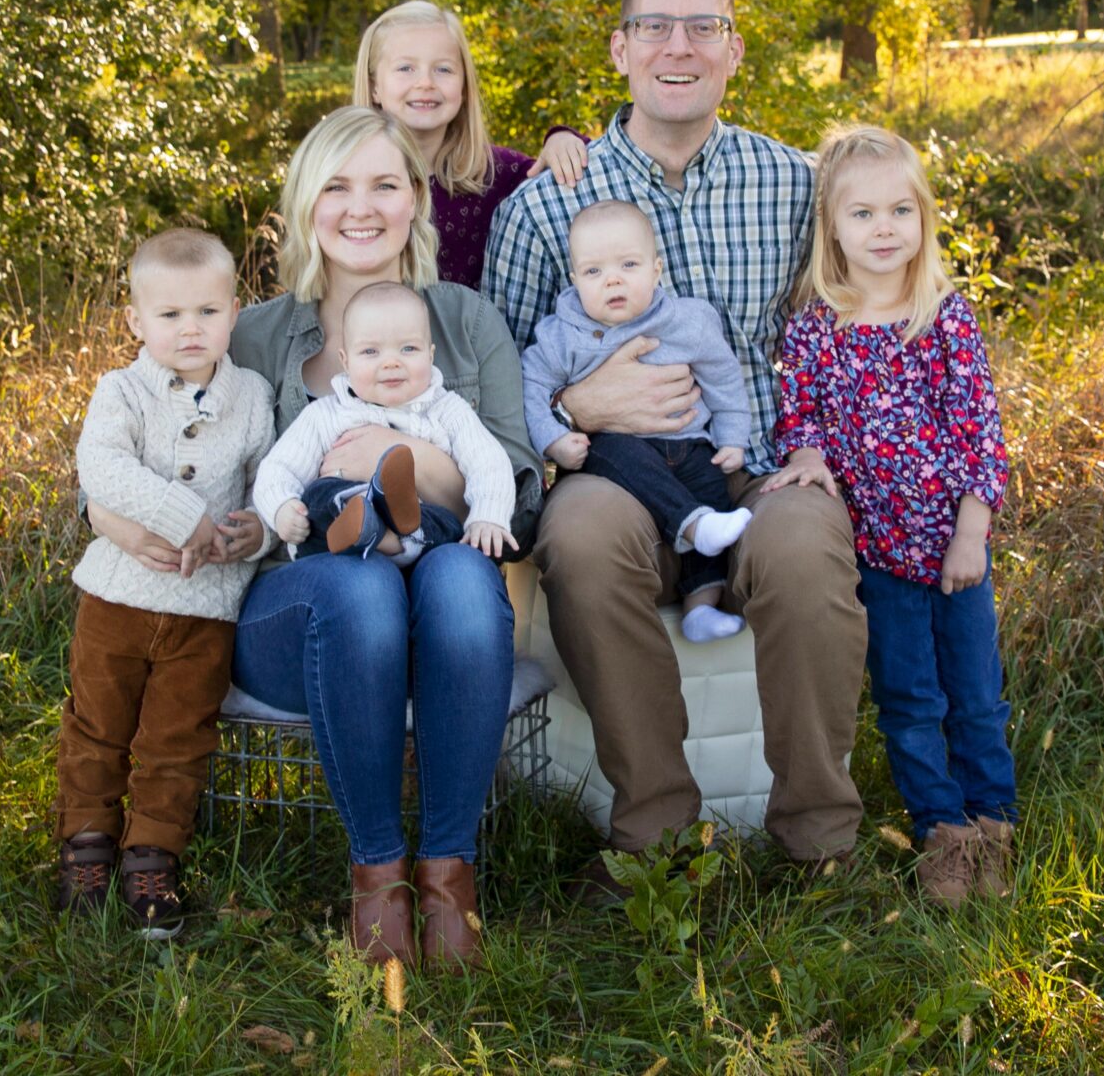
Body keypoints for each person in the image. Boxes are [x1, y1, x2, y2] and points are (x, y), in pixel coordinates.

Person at [86, 106, 540, 970]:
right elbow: (133, 439)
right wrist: (105, 515)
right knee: (358, 587)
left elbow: (516, 498)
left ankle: (449, 876)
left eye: (383, 184)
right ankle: (376, 875)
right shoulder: (248, 330)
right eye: (335, 185)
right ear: (304, 204)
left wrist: (402, 460)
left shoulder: (466, 321)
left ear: (416, 200)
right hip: (298, 616)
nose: (360, 207)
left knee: (457, 583)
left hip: (441, 598)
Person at [481, 0, 868, 877]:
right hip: (610, 475)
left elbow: (849, 335)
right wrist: (575, 404)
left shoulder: (795, 187)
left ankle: (818, 839)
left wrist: (814, 442)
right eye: (654, 25)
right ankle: (656, 840)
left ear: (734, 49)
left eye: (703, 27)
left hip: (762, 464)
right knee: (578, 539)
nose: (678, 46)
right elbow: (497, 387)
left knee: (806, 547)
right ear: (620, 48)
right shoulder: (545, 205)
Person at [767, 125, 1015, 906]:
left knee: (975, 694)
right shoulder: (817, 327)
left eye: (899, 212)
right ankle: (942, 831)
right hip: (878, 557)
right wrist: (805, 454)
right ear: (832, 229)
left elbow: (982, 436)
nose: (884, 230)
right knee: (910, 701)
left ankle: (993, 825)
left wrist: (972, 533)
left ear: (923, 219)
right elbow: (797, 415)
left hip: (955, 550)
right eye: (863, 214)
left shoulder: (943, 317)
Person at [57, 228, 276, 938]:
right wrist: (189, 519)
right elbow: (105, 471)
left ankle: (152, 856)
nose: (191, 329)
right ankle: (86, 844)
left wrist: (257, 531)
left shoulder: (252, 395)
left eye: (207, 312)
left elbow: (266, 482)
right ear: (136, 322)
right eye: (171, 315)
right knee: (98, 724)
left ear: (235, 312)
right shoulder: (120, 391)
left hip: (205, 608)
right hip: (117, 597)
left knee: (179, 738)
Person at [519, 200, 752, 644]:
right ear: (574, 281)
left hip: (687, 443)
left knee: (713, 489)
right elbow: (531, 387)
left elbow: (723, 377)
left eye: (628, 264)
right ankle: (691, 523)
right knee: (613, 451)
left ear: (656, 269)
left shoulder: (687, 321)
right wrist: (554, 438)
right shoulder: (562, 335)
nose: (613, 279)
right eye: (593, 272)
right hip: (612, 452)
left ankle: (701, 607)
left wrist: (733, 436)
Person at [252, 280, 518, 563]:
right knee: (320, 495)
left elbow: (488, 463)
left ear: (430, 354)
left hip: (420, 532)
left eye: (408, 349)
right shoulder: (328, 414)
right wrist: (281, 508)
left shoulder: (447, 411)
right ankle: (367, 523)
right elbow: (280, 468)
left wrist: (488, 516)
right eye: (370, 352)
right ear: (346, 361)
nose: (391, 363)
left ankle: (392, 534)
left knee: (446, 522)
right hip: (336, 542)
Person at [352, 0, 589, 287]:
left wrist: (561, 139)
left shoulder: (495, 172)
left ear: (464, 87)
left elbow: (584, 170)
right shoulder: (345, 176)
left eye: (443, 70)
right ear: (375, 85)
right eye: (405, 68)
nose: (425, 82)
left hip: (475, 330)